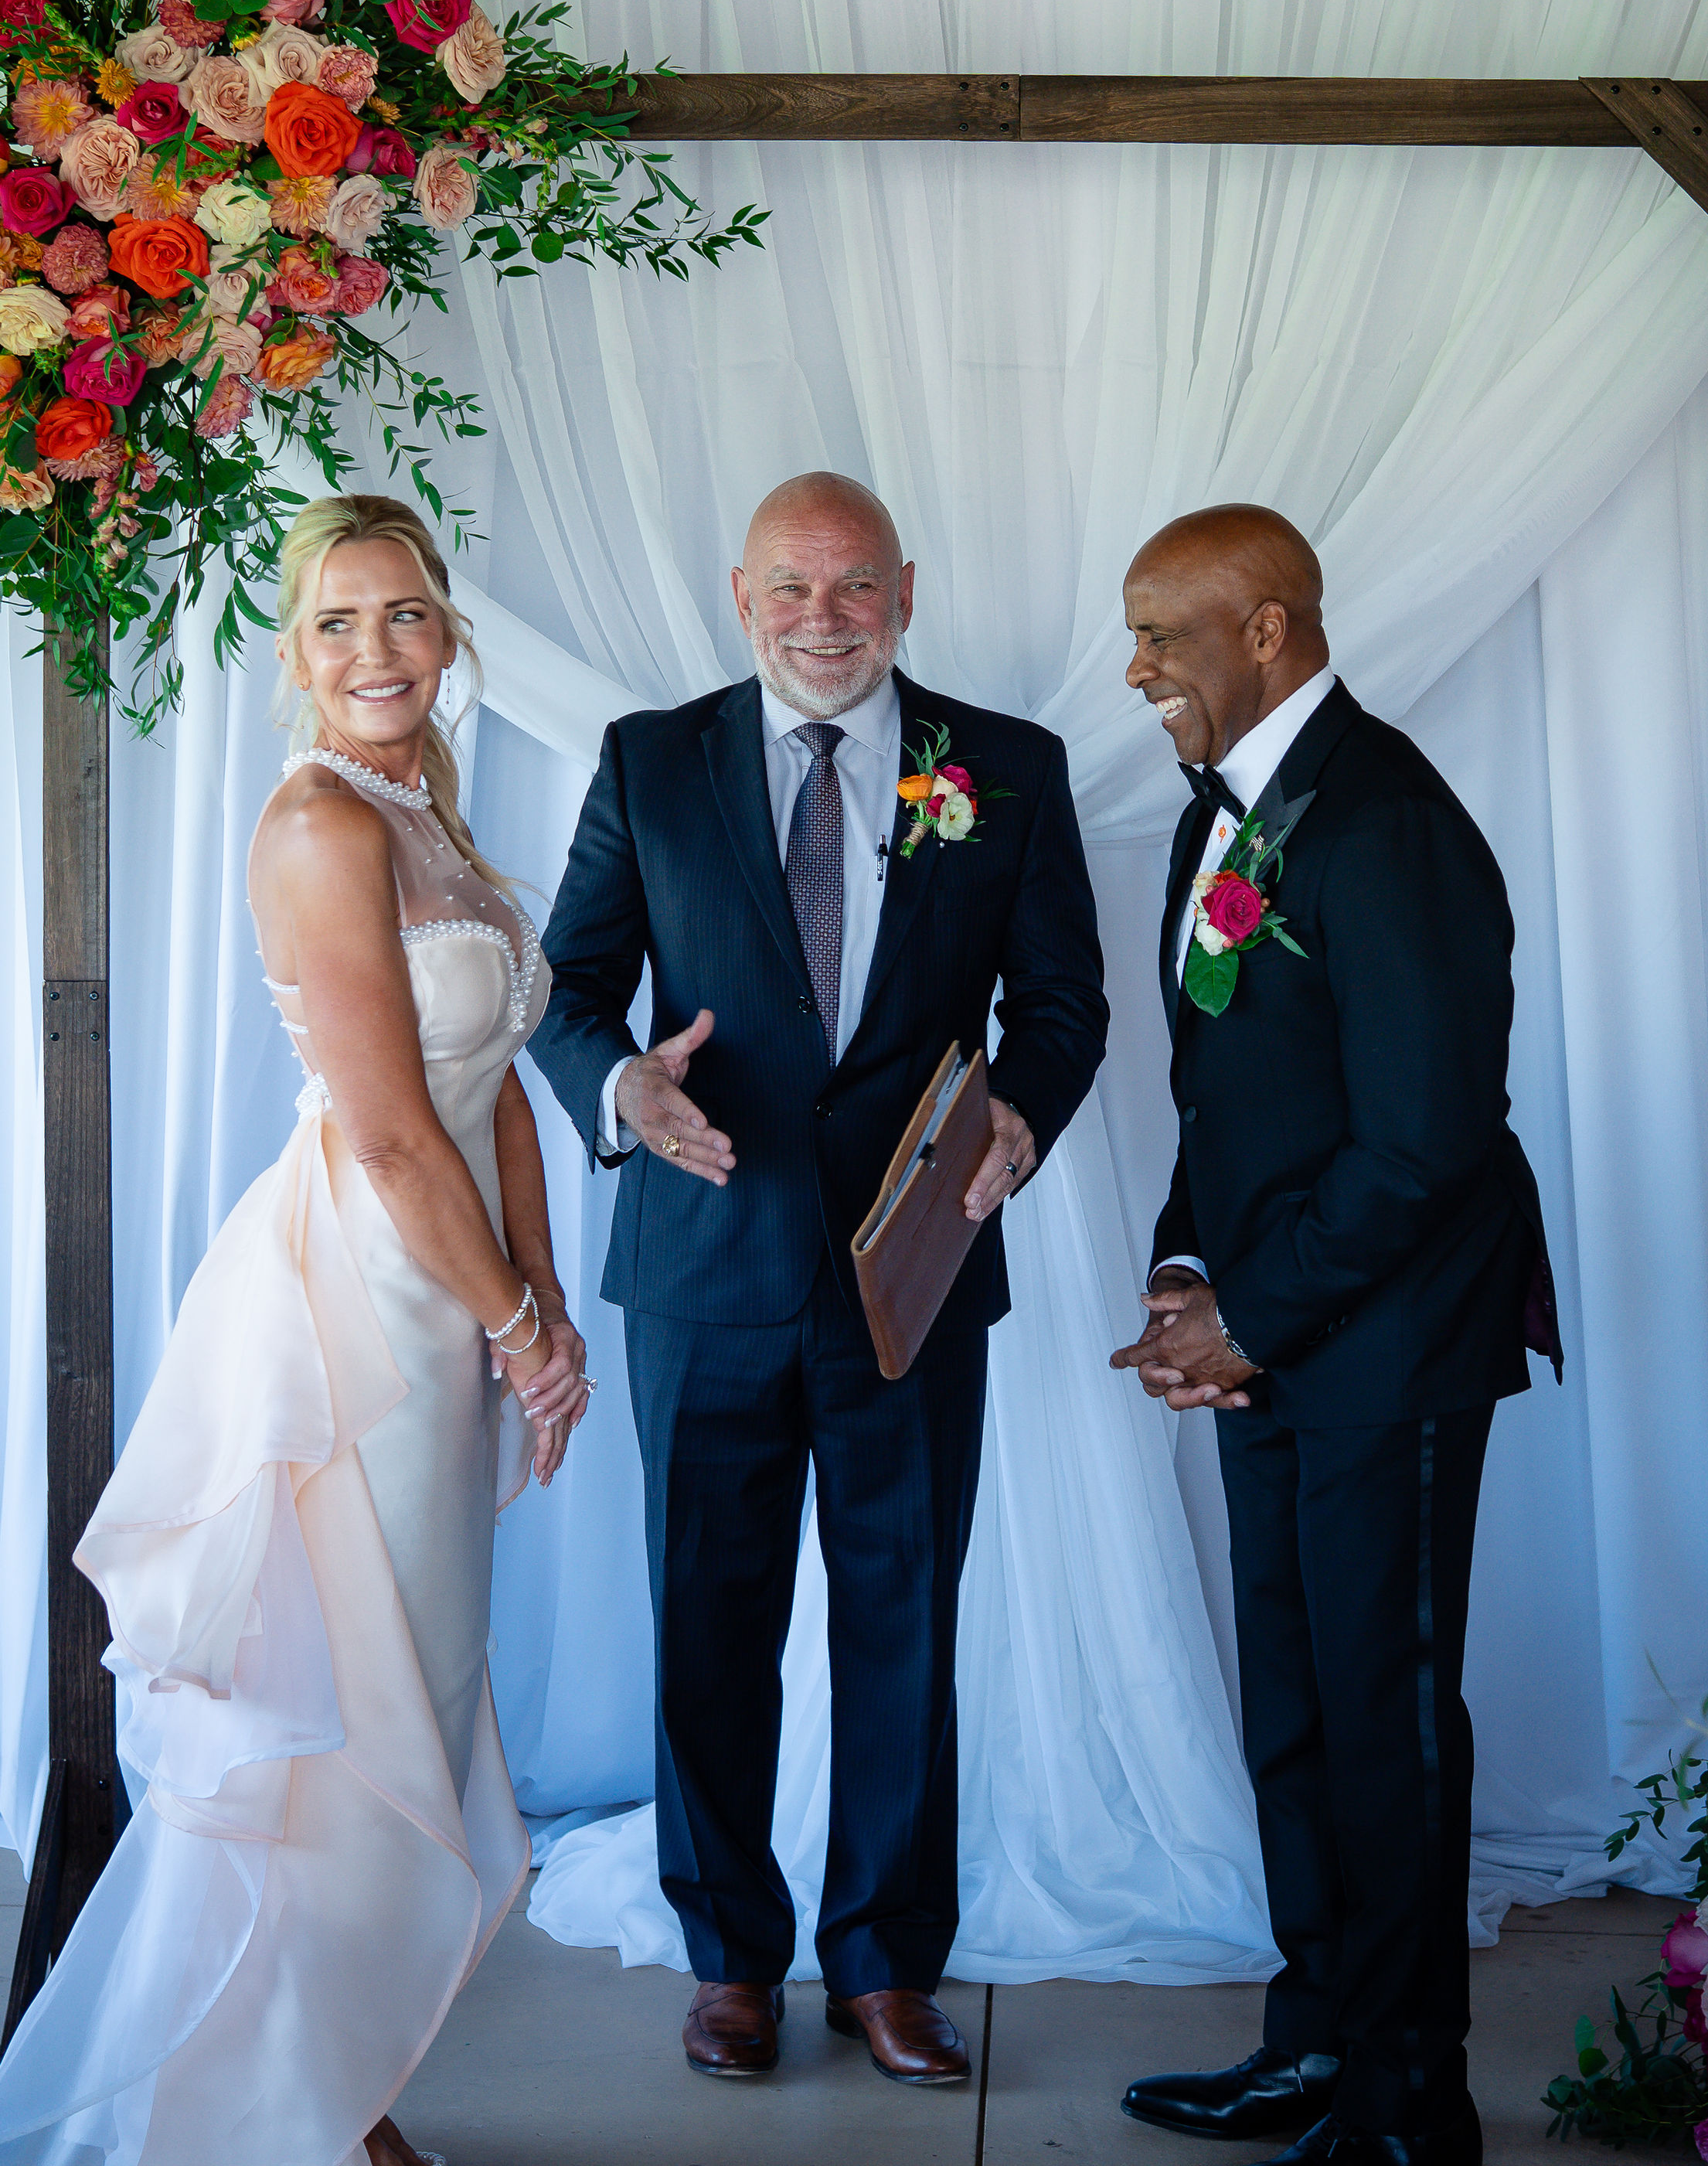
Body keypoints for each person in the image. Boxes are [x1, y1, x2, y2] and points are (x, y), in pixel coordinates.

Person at [0, 494, 590, 2166]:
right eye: (339, 621)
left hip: (450, 1293)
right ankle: (302, 2110)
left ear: (449, 630)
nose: (377, 650)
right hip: (363, 1311)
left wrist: (544, 1312)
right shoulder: (322, 824)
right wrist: (511, 1326)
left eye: (405, 613)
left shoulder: (429, 812)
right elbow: (394, 1135)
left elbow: (501, 1097)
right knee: (349, 1706)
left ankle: (340, 2084)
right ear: (295, 650)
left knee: (424, 1675)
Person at [529, 469, 1109, 2087]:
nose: (824, 618)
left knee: (903, 1618)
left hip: (912, 1273)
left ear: (907, 594)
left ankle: (885, 1965)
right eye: (790, 587)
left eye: (856, 586)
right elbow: (566, 990)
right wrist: (622, 1088)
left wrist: (1023, 1113)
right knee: (706, 1627)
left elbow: (1063, 1002)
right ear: (741, 598)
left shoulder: (1009, 766)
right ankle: (729, 1959)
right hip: (704, 1264)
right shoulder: (651, 760)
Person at [1111, 505, 1560, 2166]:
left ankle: (1408, 2101)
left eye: (1162, 634)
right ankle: (1314, 2049)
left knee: (1386, 1720)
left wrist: (1252, 1314)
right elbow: (1228, 1096)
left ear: (1270, 630)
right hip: (1274, 1338)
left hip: (1391, 1347)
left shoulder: (1386, 823)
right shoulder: (1221, 816)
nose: (1136, 668)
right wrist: (1186, 1270)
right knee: (1296, 1710)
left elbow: (1427, 1139)